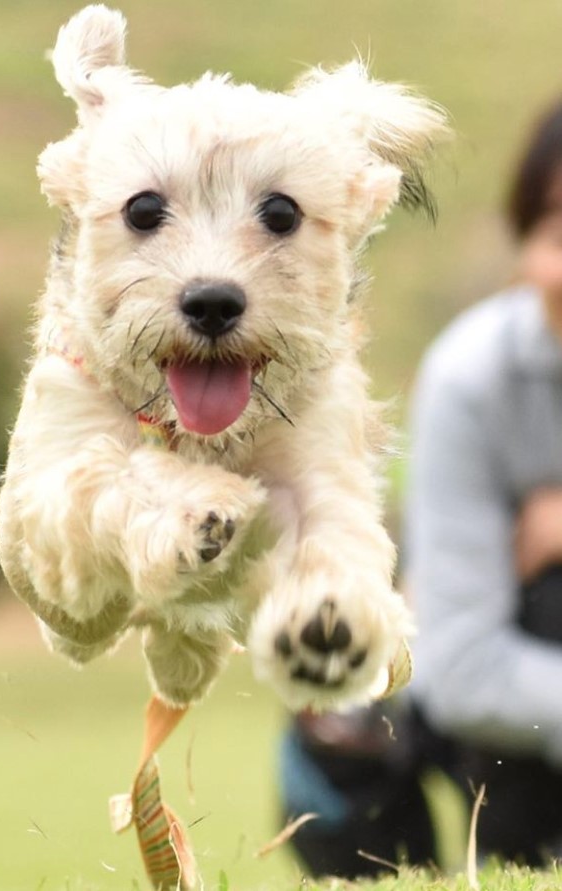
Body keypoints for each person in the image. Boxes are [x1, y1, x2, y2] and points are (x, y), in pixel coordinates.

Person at [279, 96, 562, 876]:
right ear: (526, 249)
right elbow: (468, 670)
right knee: (334, 681)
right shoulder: (472, 377)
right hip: (492, 702)